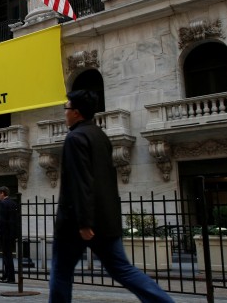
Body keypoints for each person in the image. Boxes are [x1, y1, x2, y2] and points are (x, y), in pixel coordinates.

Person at [49, 90, 173, 303]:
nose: (65, 114)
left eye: (66, 109)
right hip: (106, 220)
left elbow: (80, 182)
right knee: (122, 269)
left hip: (76, 224)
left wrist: (84, 222)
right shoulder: (100, 136)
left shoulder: (75, 138)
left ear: (76, 113)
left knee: (61, 272)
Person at [0, 186, 17, 284]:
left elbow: (3, 220)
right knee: (7, 255)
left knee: (7, 256)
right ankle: (6, 274)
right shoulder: (13, 203)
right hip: (12, 233)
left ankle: (11, 277)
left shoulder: (3, 203)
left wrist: (0, 232)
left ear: (2, 193)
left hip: (5, 233)